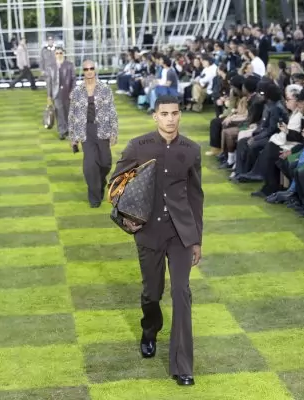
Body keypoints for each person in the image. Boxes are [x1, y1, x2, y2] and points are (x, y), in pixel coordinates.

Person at [110, 95, 204, 386]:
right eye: (164, 114)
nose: (170, 119)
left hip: (180, 234)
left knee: (181, 293)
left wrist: (197, 239)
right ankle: (150, 329)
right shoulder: (137, 146)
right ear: (155, 116)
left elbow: (196, 197)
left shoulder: (192, 150)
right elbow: (115, 183)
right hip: (149, 231)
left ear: (180, 115)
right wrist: (127, 215)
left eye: (175, 113)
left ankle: (183, 367)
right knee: (152, 294)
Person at [69, 60, 118, 208]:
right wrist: (73, 137)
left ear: (95, 70)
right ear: (82, 71)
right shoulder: (77, 91)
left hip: (103, 129)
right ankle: (94, 198)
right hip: (85, 131)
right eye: (86, 69)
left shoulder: (105, 89)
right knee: (90, 165)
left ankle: (100, 181)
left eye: (91, 68)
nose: (89, 71)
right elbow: (72, 114)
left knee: (105, 163)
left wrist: (114, 132)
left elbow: (112, 111)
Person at [46, 47, 75, 140]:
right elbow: (49, 82)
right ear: (54, 55)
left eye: (60, 53)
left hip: (67, 92)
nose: (59, 55)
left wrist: (72, 91)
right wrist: (49, 96)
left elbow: (73, 79)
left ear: (64, 54)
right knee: (59, 113)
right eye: (57, 53)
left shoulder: (69, 65)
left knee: (68, 112)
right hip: (56, 93)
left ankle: (68, 130)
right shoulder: (50, 67)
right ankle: (62, 131)